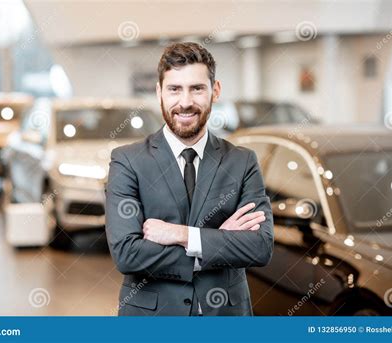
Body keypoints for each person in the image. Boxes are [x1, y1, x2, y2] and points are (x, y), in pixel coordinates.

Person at [105, 42, 273, 316]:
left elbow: (260, 247)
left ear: (214, 91)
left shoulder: (242, 161)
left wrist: (181, 235)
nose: (185, 102)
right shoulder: (127, 161)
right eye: (174, 89)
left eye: (197, 88)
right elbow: (127, 253)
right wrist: (217, 242)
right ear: (159, 92)